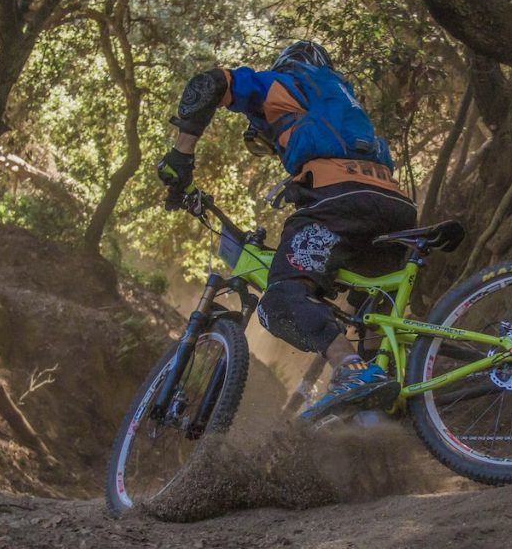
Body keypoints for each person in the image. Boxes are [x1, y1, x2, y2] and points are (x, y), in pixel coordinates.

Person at [156, 41, 416, 420]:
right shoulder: (345, 102)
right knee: (369, 312)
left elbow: (209, 83)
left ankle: (350, 369)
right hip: (395, 206)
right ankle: (384, 401)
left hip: (339, 201)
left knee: (282, 297)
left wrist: (180, 157)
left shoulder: (288, 81)